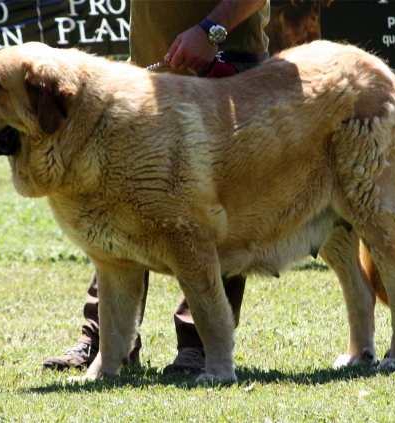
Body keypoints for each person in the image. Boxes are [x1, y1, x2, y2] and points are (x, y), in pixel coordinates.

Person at [42, 0, 270, 375]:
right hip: (146, 77)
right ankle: (104, 341)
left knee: (208, 215)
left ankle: (198, 345)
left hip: (225, 66)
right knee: (117, 203)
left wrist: (210, 31)